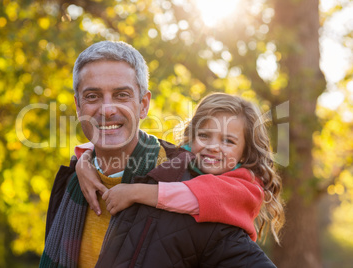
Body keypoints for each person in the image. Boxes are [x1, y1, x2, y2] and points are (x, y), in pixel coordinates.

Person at [40, 40, 277, 268]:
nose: (107, 109)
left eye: (122, 95)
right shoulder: (71, 182)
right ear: (78, 105)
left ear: (144, 105)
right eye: (92, 96)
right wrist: (83, 161)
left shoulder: (199, 193)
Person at [75, 93, 284, 244]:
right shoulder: (181, 160)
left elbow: (199, 195)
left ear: (245, 153)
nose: (212, 146)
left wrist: (135, 192)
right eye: (204, 135)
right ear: (192, 137)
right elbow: (128, 146)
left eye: (228, 141)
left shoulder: (246, 188)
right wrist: (84, 162)